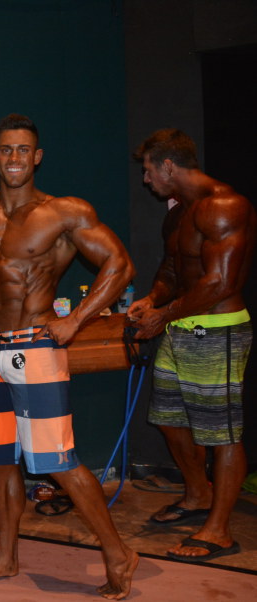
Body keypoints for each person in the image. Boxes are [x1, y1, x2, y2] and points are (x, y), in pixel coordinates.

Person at [0, 114, 138, 600]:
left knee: (58, 461)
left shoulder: (64, 212)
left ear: (36, 157)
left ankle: (118, 552)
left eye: (23, 150)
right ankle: (5, 556)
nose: (14, 158)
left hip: (37, 348)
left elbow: (120, 264)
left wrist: (77, 319)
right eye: (6, 150)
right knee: (1, 462)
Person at [129, 128, 255, 562]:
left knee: (221, 433)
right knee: (168, 419)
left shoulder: (225, 206)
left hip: (217, 330)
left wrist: (163, 315)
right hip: (180, 325)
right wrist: (152, 299)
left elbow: (220, 282)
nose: (146, 180)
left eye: (149, 170)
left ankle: (219, 531)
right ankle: (198, 493)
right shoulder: (178, 213)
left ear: (168, 165)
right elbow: (172, 268)